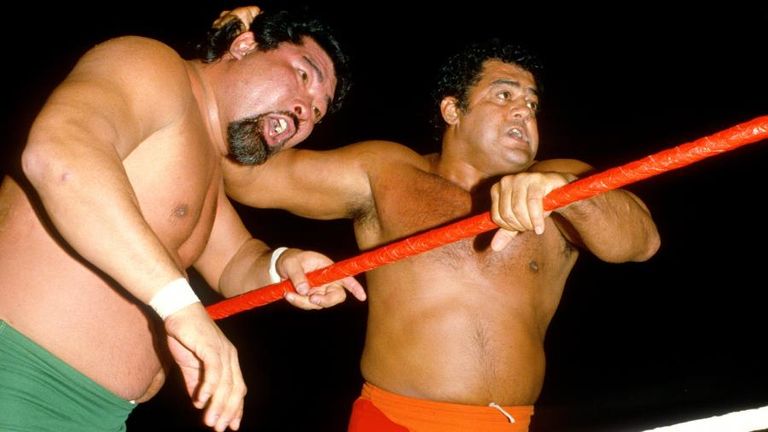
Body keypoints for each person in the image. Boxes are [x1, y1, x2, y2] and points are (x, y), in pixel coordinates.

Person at [224, 37, 661, 431]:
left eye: (532, 103)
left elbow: (643, 242)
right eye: (504, 95)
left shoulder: (562, 180)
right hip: (395, 420)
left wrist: (565, 194)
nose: (523, 111)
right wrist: (224, 69)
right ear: (453, 111)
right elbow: (245, 176)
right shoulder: (387, 172)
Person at [0, 7, 367, 432]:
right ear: (244, 45)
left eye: (317, 113)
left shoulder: (205, 161)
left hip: (97, 413)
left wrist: (285, 264)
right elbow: (60, 156)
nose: (305, 112)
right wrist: (181, 308)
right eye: (303, 76)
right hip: (18, 377)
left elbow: (235, 262)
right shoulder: (153, 66)